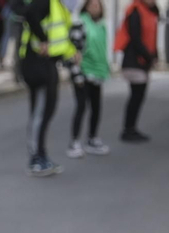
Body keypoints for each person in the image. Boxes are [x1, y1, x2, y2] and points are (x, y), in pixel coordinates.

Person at [13, 0, 74, 175]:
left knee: (46, 111)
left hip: (47, 63)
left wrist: (71, 53)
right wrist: (43, 39)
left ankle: (41, 155)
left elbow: (61, 34)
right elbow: (30, 14)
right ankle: (35, 158)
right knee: (40, 112)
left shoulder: (57, 5)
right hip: (37, 63)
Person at [66, 0, 110, 158]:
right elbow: (74, 52)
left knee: (96, 107)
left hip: (97, 73)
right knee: (81, 107)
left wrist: (105, 69)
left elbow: (102, 50)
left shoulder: (101, 26)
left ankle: (92, 138)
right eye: (91, 5)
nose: (94, 8)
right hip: (83, 73)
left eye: (97, 5)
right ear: (86, 7)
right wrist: (77, 75)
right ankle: (74, 142)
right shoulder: (80, 24)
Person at [116, 0, 158, 141]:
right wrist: (149, 57)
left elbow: (152, 37)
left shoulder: (150, 12)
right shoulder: (135, 12)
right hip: (134, 61)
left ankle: (131, 128)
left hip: (142, 61)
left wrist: (153, 55)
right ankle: (128, 129)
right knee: (136, 96)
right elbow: (136, 38)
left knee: (138, 96)